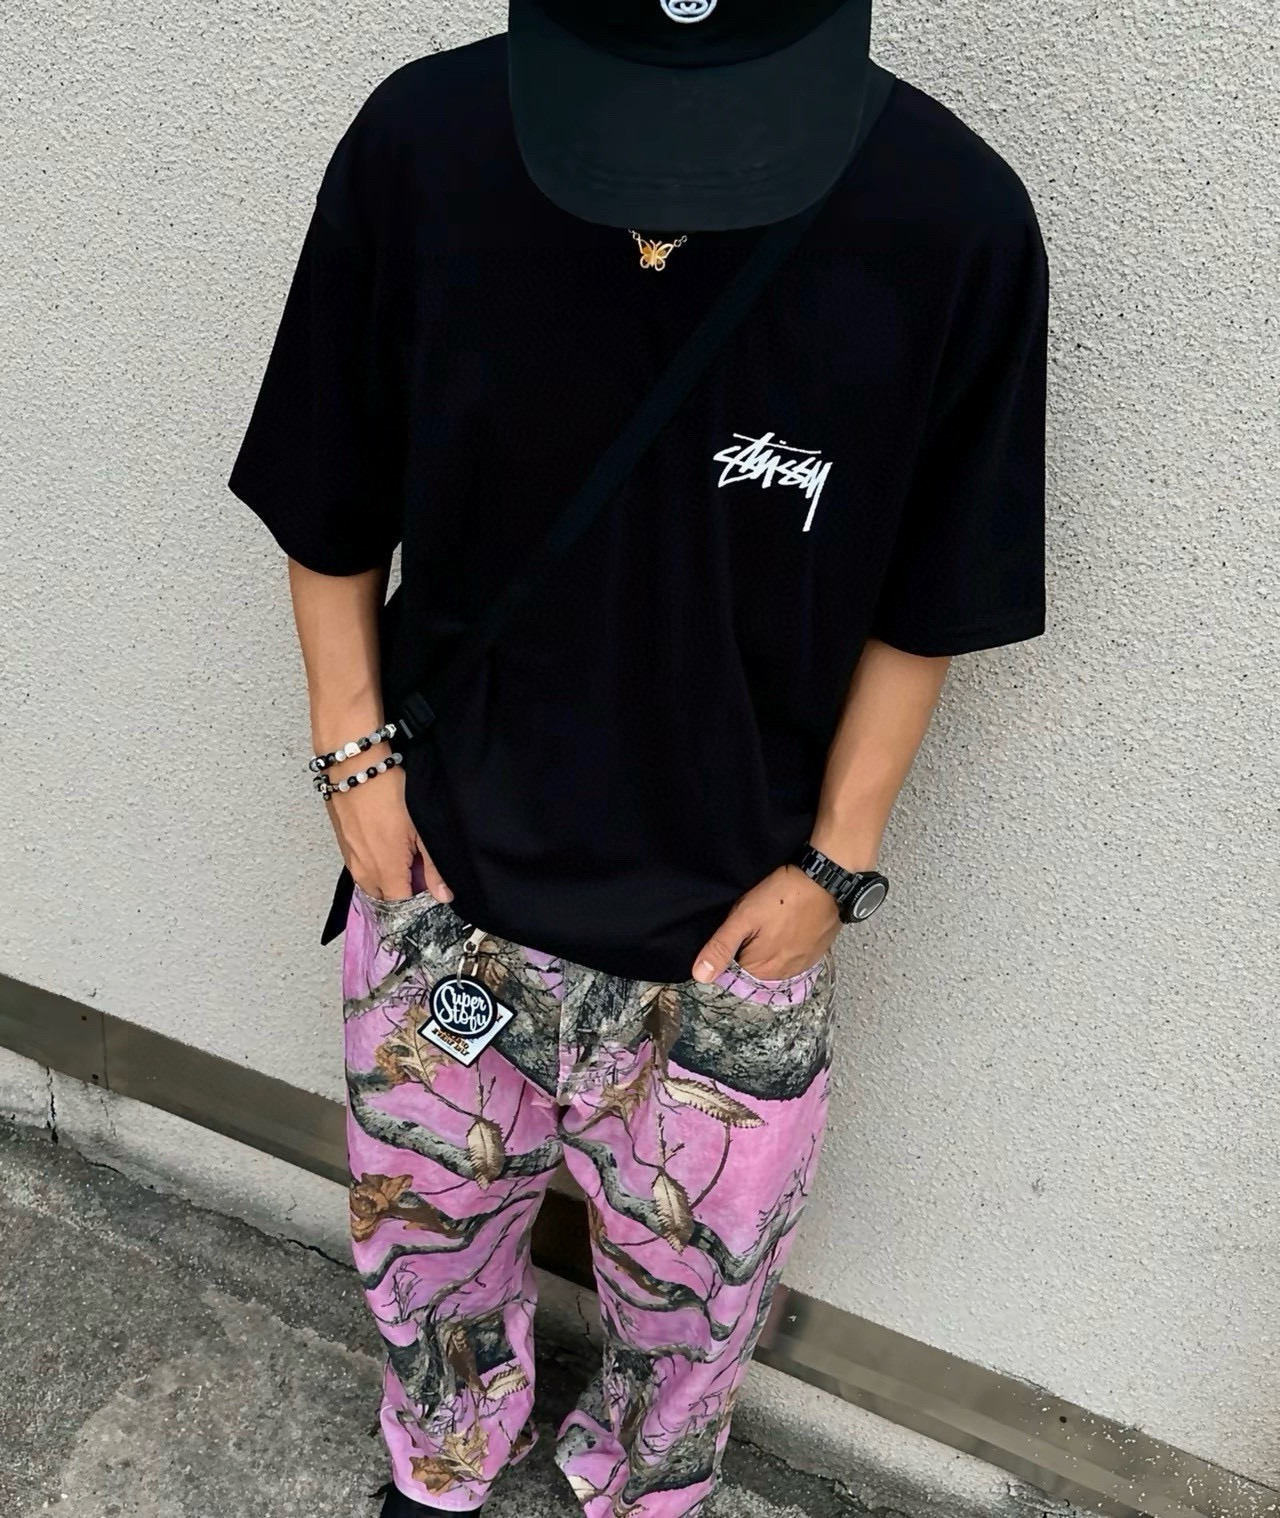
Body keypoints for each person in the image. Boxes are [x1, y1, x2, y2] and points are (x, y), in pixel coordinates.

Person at [227, 2, 1049, 1513]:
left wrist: (835, 865)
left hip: (731, 933)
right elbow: (327, 487)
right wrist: (353, 762)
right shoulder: (425, 149)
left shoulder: (952, 222)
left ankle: (644, 1489)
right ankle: (445, 1460)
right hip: (444, 881)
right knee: (423, 1250)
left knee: (695, 1312)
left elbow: (934, 593)